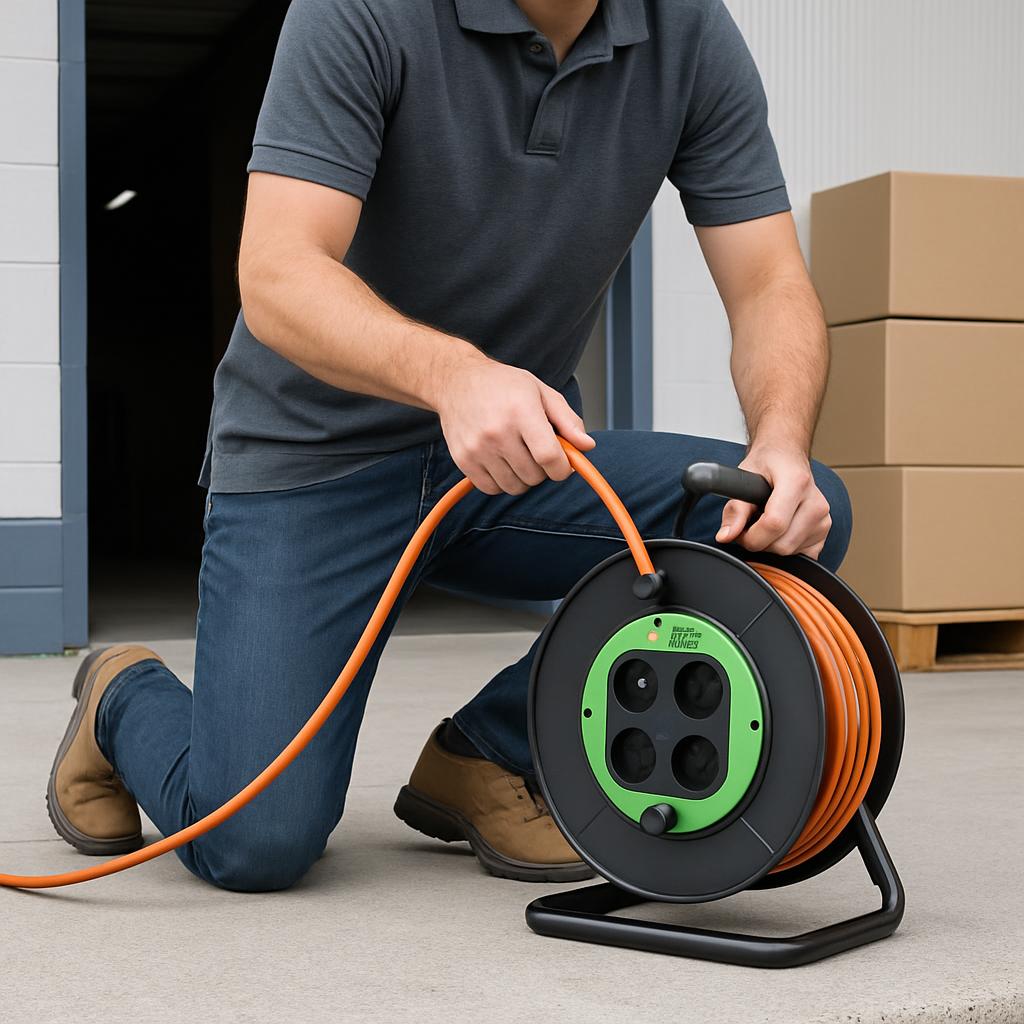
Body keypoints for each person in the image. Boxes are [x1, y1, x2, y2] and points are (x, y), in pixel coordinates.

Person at [47, 0, 851, 892]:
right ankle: (122, 696)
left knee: (780, 512)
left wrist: (780, 440)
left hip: (513, 468)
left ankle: (494, 749)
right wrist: (455, 377)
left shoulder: (689, 33)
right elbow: (277, 270)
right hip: (315, 464)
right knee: (252, 844)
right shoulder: (362, 11)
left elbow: (770, 281)